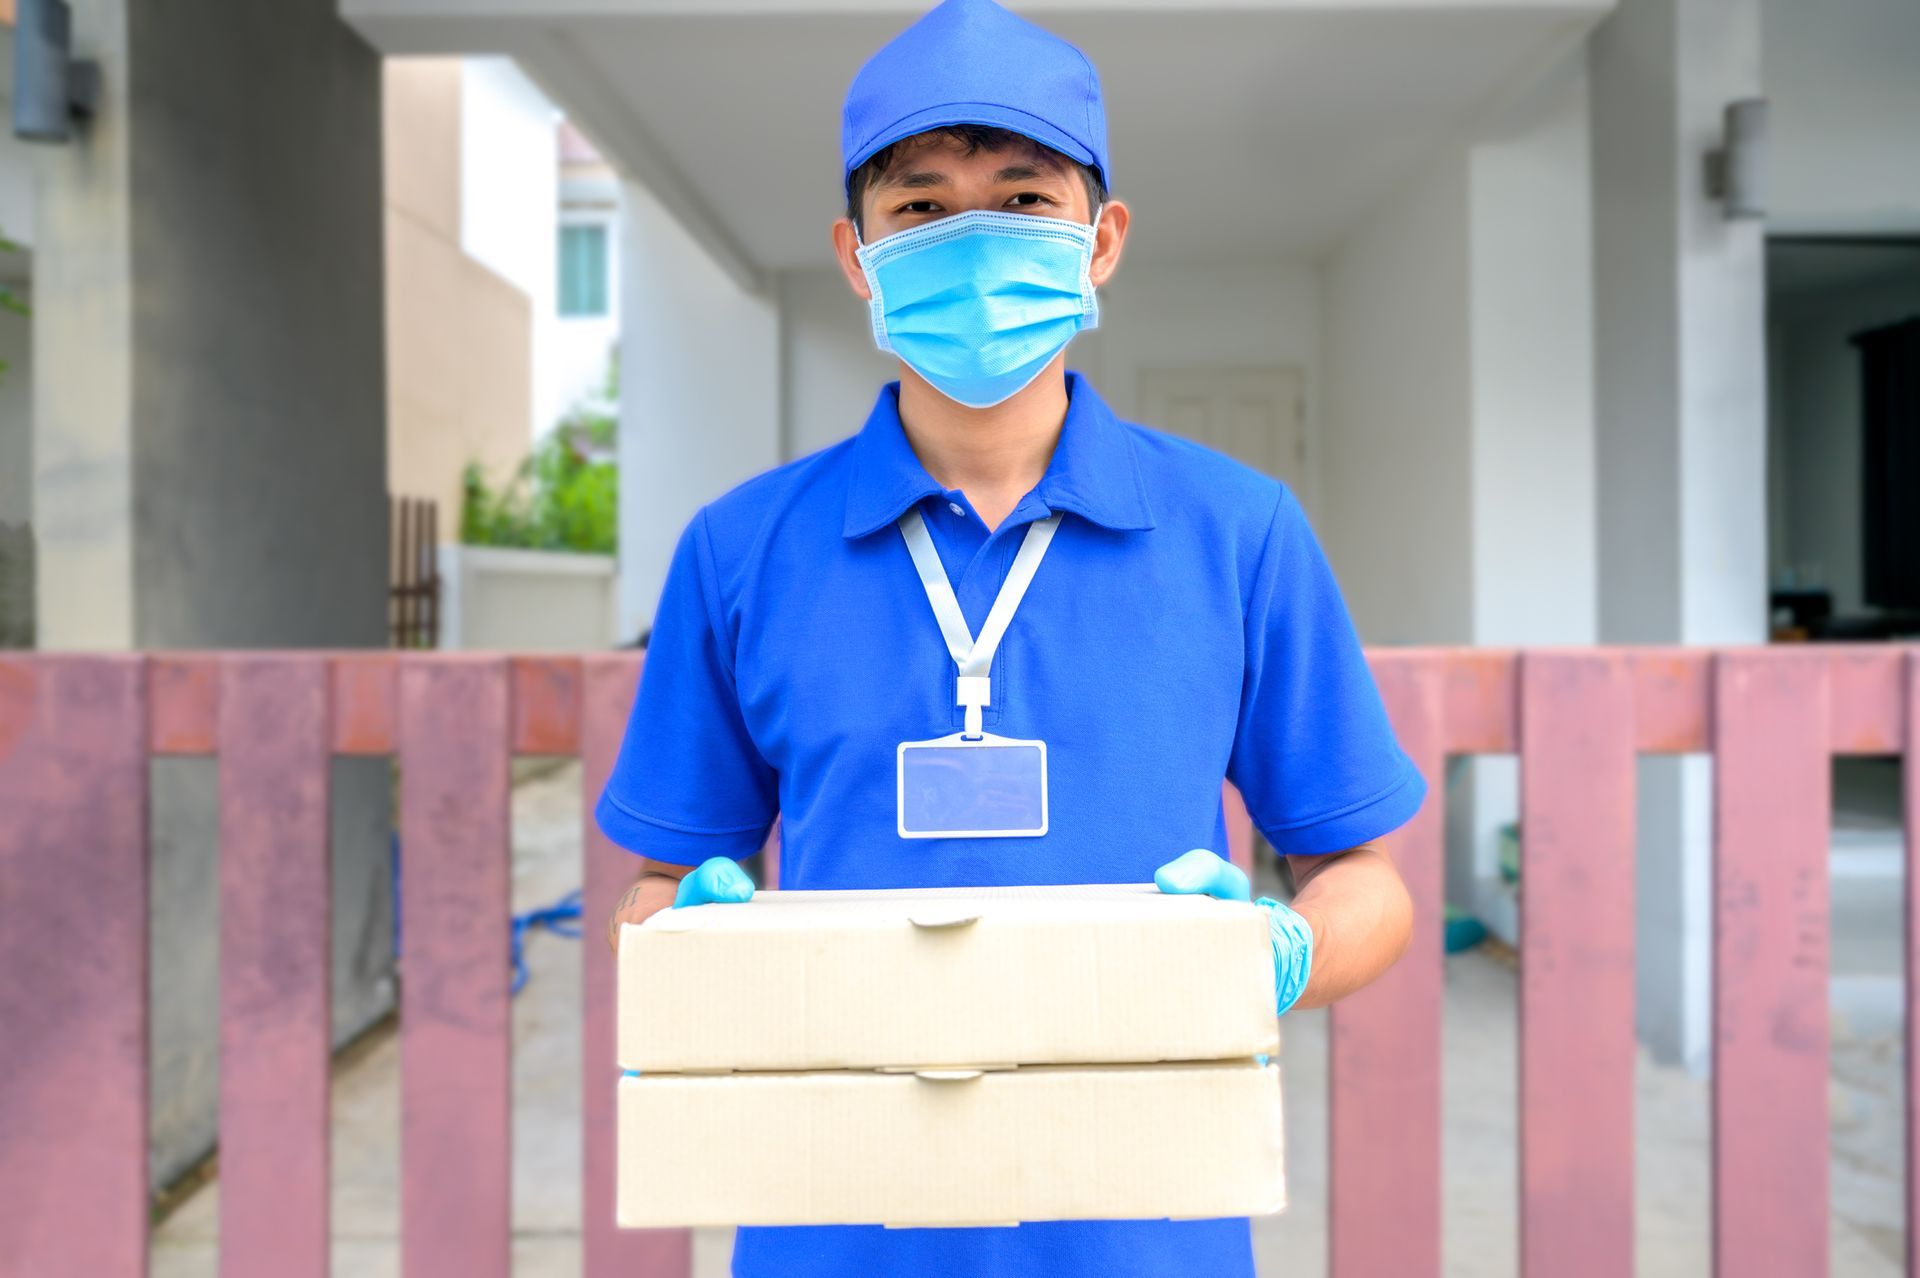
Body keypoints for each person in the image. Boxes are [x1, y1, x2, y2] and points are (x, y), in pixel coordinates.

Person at [597, 1, 1424, 1273]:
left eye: (1025, 200)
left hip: (1147, 1224)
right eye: (921, 207)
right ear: (857, 254)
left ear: (1104, 240)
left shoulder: (1237, 532)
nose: (973, 241)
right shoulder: (741, 550)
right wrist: (684, 934)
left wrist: (1279, 950)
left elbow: (1367, 881)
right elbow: (659, 885)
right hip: (836, 1220)